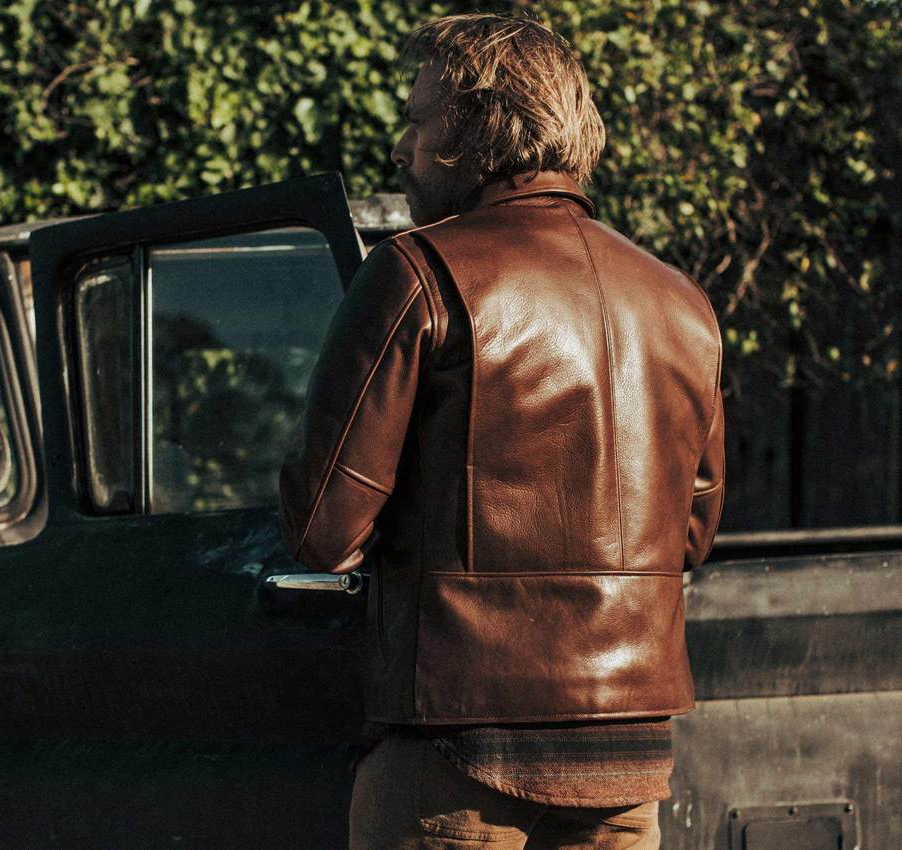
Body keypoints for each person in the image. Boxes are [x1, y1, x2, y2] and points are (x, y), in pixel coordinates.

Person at [278, 13, 725, 850]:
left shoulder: (416, 271)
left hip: (459, 742)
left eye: (417, 121)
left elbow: (323, 530)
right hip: (629, 757)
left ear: (474, 127)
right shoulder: (681, 301)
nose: (401, 148)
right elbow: (691, 535)